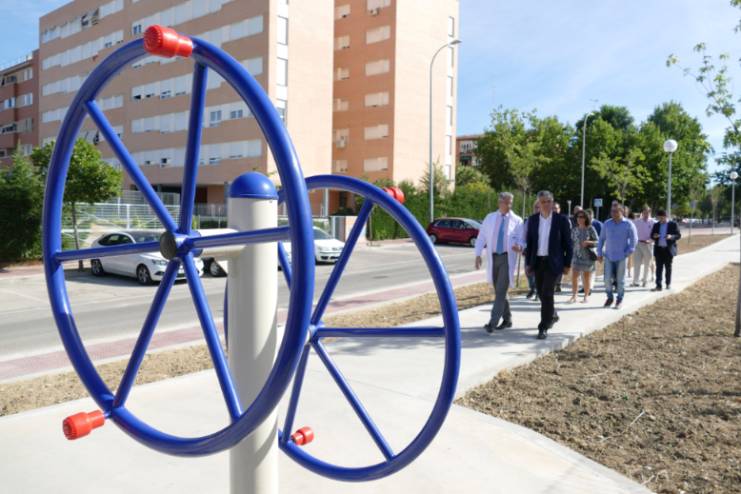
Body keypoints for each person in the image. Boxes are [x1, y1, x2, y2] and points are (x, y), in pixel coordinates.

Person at [523, 190, 572, 340]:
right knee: (541, 293)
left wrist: (567, 264)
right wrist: (528, 263)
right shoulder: (533, 220)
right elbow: (530, 243)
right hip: (538, 262)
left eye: (548, 201)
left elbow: (568, 244)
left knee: (547, 293)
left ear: (552, 202)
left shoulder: (561, 220)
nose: (546, 204)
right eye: (543, 202)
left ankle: (543, 326)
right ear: (539, 203)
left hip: (554, 263)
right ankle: (552, 315)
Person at [475, 192, 523, 332]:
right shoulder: (490, 218)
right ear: (499, 202)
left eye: (510, 203)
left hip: (507, 258)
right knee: (499, 291)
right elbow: (481, 237)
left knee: (501, 291)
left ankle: (492, 322)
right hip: (493, 257)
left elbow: (522, 239)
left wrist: (520, 246)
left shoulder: (517, 220)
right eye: (506, 202)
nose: (509, 205)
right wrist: (478, 255)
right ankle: (507, 319)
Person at [597, 203, 637, 309]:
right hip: (609, 256)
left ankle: (619, 299)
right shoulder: (607, 224)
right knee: (606, 279)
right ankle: (609, 297)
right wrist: (599, 253)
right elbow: (601, 239)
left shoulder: (628, 224)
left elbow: (634, 240)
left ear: (621, 212)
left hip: (621, 257)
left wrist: (628, 252)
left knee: (620, 280)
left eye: (615, 211)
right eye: (612, 211)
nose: (613, 213)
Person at [568, 210, 598, 303]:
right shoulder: (574, 230)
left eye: (582, 217)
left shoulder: (591, 228)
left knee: (586, 277)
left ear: (586, 218)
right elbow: (571, 242)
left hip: (587, 257)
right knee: (574, 276)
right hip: (576, 256)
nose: (580, 219)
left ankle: (586, 296)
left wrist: (588, 242)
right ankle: (574, 296)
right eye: (578, 217)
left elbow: (598, 242)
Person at [650, 209, 681, 291]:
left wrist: (671, 236)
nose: (660, 220)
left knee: (668, 267)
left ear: (666, 216)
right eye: (659, 218)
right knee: (658, 268)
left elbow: (678, 235)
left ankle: (668, 284)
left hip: (668, 249)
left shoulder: (673, 224)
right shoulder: (656, 225)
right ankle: (658, 286)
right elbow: (652, 235)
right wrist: (654, 236)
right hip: (658, 249)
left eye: (661, 218)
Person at [631, 206, 655, 287]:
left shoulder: (653, 222)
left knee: (647, 264)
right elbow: (632, 231)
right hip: (638, 244)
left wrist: (651, 240)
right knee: (636, 263)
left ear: (650, 213)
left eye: (647, 212)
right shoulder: (637, 222)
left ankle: (645, 281)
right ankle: (635, 281)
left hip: (648, 244)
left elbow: (655, 234)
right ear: (642, 213)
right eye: (644, 212)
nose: (646, 214)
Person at [553, 201, 564, 293]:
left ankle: (558, 284)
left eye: (556, 208)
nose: (554, 210)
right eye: (553, 208)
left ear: (559, 210)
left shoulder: (563, 220)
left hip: (560, 248)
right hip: (549, 249)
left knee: (559, 267)